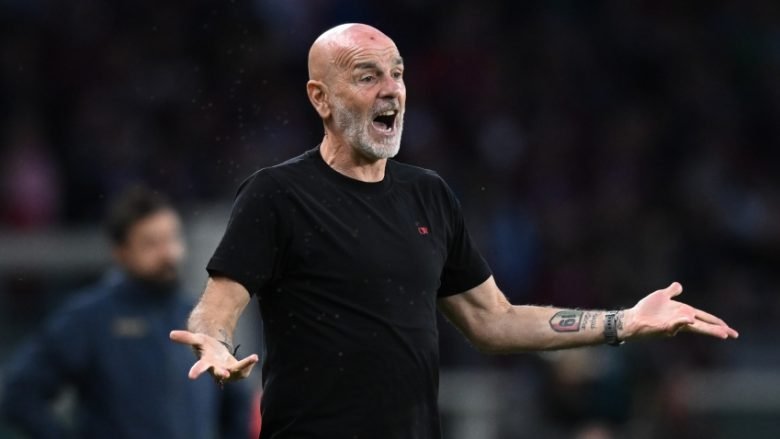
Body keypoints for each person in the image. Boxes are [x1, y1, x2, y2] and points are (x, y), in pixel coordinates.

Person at [169, 24, 738, 439]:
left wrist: (623, 322)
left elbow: (494, 321)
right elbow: (218, 305)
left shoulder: (429, 194)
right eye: (368, 76)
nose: (391, 89)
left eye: (397, 74)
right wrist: (214, 341)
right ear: (321, 98)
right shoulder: (277, 193)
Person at [1, 186, 253, 439]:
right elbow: (20, 394)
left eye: (172, 238)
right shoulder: (90, 318)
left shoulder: (197, 316)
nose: (168, 253)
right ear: (121, 252)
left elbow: (237, 401)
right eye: (151, 243)